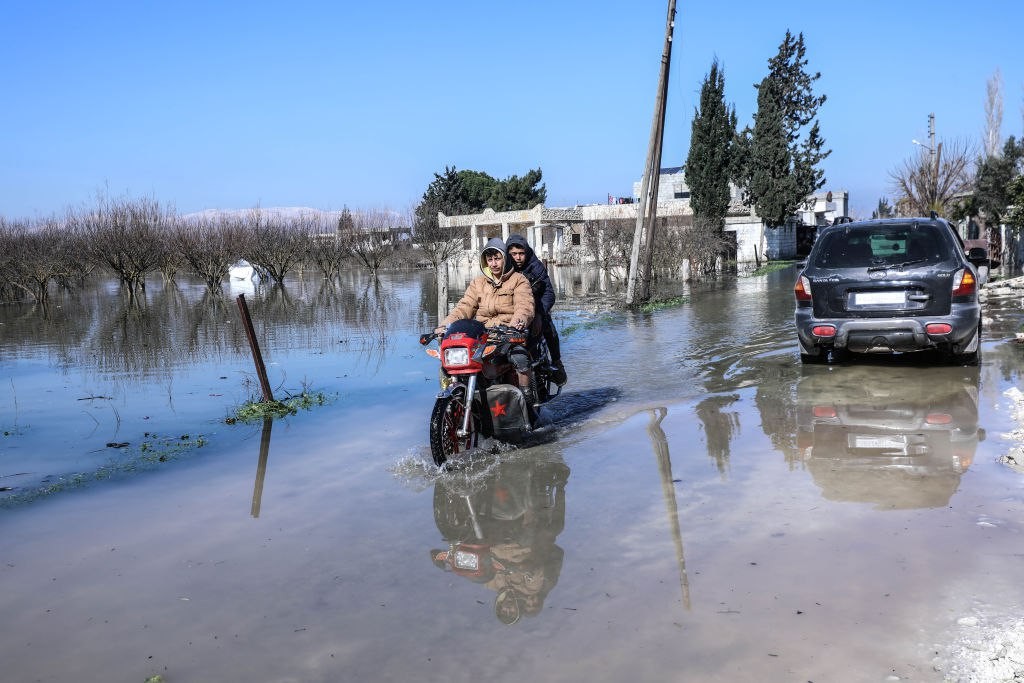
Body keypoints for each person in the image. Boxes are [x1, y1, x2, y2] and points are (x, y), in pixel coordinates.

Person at [436, 238, 536, 402]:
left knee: (520, 357)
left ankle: (528, 402)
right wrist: (445, 326)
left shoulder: (519, 280)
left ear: (505, 258)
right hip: (482, 338)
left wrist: (518, 322)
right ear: (485, 261)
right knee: (451, 361)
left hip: (508, 335)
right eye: (490, 259)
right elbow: (464, 307)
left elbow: (524, 305)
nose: (494, 263)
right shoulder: (478, 283)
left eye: (497, 258)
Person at [505, 234, 567, 386]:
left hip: (536, 306)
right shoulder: (503, 268)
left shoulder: (536, 266)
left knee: (549, 329)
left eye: (521, 253)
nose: (518, 257)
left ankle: (557, 363)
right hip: (512, 310)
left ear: (526, 252)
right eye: (514, 254)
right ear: (508, 254)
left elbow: (549, 293)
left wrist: (539, 313)